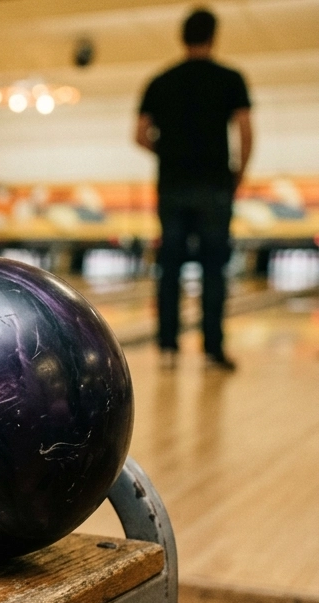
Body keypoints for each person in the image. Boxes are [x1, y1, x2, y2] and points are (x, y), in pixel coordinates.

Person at [137, 7, 251, 371]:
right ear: (213, 37)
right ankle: (213, 350)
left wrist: (168, 153)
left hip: (172, 186)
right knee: (214, 268)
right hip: (215, 185)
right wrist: (237, 174)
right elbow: (245, 132)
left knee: (169, 267)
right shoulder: (230, 78)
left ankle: (168, 348)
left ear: (181, 37)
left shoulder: (160, 81)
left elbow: (140, 135)